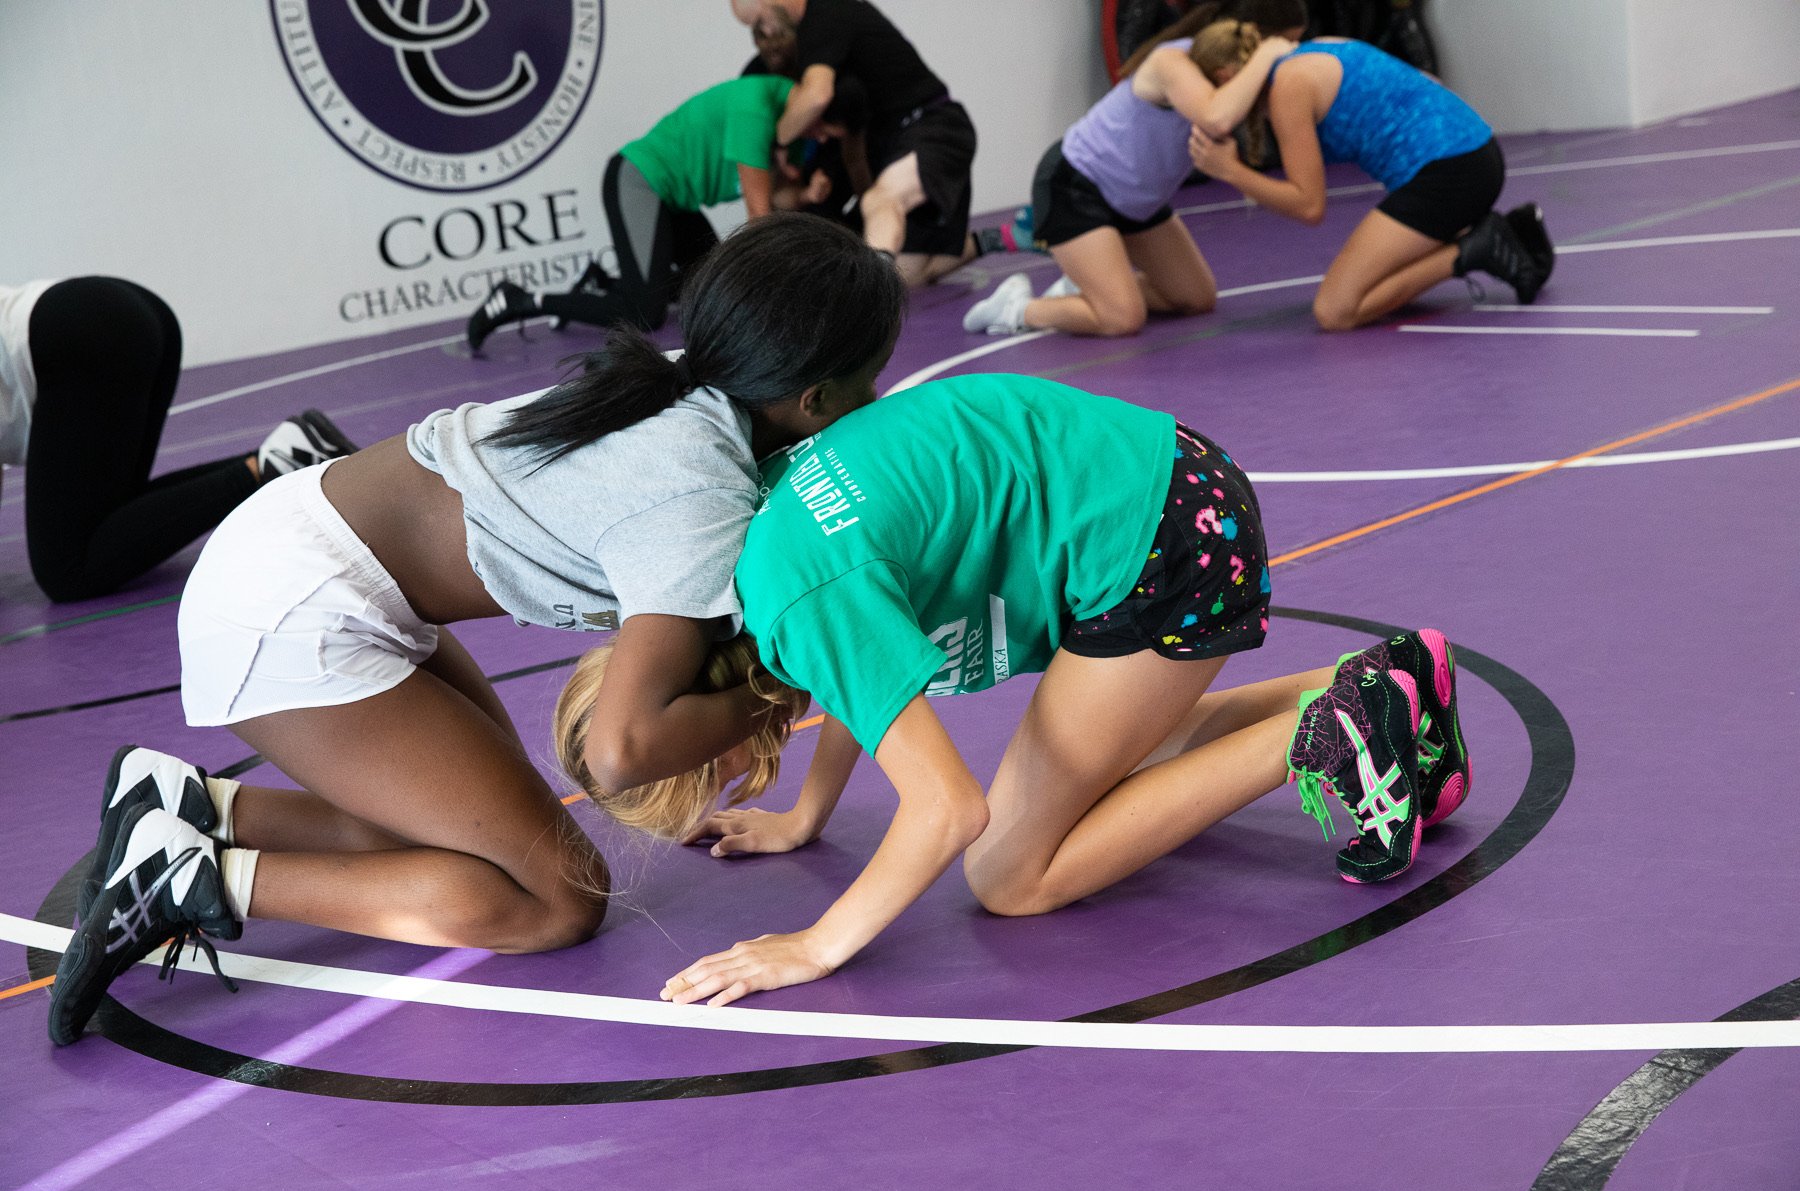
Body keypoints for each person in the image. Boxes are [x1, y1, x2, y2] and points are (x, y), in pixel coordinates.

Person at [47, 214, 908, 1045]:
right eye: (872, 379)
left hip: (310, 552)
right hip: (289, 612)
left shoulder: (695, 379)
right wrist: (786, 688)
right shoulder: (697, 495)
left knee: (471, 835)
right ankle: (192, 880)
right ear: (816, 395)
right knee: (557, 902)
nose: (877, 401)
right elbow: (621, 750)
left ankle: (190, 805)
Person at [558, 373, 1471, 1006]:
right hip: (1165, 480)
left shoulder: (800, 610)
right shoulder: (744, 572)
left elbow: (948, 809)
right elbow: (863, 685)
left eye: (710, 776)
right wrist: (805, 816)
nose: (729, 782)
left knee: (1009, 875)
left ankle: (1323, 727)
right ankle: (1389, 676)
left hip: (1162, 548)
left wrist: (816, 945)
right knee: (1116, 774)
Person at [1, 277, 355, 602]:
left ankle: (276, 464)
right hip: (113, 311)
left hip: (82, 334)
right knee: (110, 518)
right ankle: (292, 456)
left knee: (67, 570)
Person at [961, 5, 1303, 339]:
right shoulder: (1173, 61)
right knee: (1121, 318)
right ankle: (1017, 309)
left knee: (1196, 299)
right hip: (1077, 187)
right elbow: (1215, 117)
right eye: (1283, 49)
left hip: (1136, 202)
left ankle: (1088, 290)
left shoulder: (1228, 80)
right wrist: (1266, 56)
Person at [1185, 20, 1553, 330]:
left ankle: (1477, 247)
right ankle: (1488, 233)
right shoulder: (1314, 49)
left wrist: (1229, 171)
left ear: (1225, 77)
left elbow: (1309, 205)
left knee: (1335, 310)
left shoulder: (1288, 87)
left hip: (1451, 170)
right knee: (1369, 280)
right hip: (1471, 151)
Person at [466, 77, 865, 352]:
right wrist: (783, 306)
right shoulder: (755, 110)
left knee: (711, 286)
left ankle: (603, 284)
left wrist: (806, 193)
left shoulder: (791, 129)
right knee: (644, 314)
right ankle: (521, 299)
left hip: (677, 199)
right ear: (815, 106)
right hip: (640, 180)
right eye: (825, 128)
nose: (824, 139)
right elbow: (761, 218)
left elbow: (779, 197)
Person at [735, 0, 980, 287]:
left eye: (760, 19)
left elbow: (816, 96)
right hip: (892, 143)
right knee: (908, 275)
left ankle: (870, 296)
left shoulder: (826, 14)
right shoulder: (791, 60)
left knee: (882, 200)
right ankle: (998, 239)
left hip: (932, 126)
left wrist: (775, 141)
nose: (763, 31)